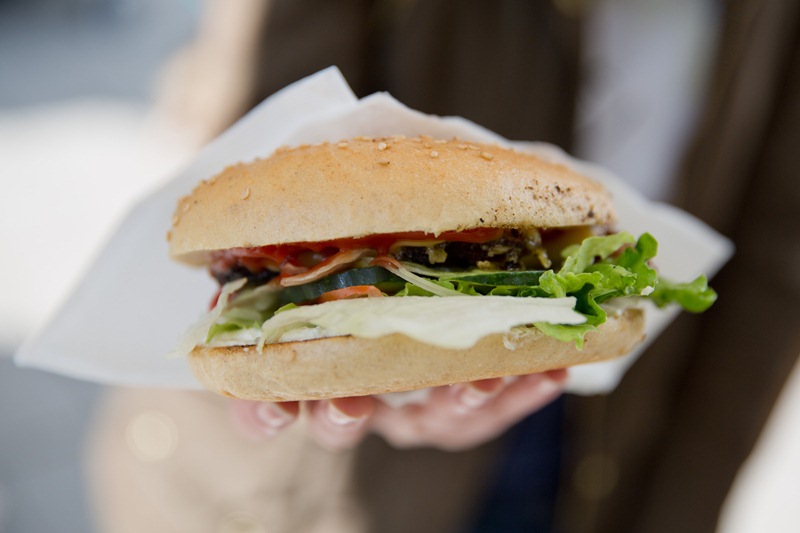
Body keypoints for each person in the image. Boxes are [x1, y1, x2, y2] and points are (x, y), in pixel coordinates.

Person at [89, 1, 800, 532]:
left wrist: (680, 506)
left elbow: (778, 249)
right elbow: (272, 104)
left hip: (602, 446)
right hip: (284, 490)